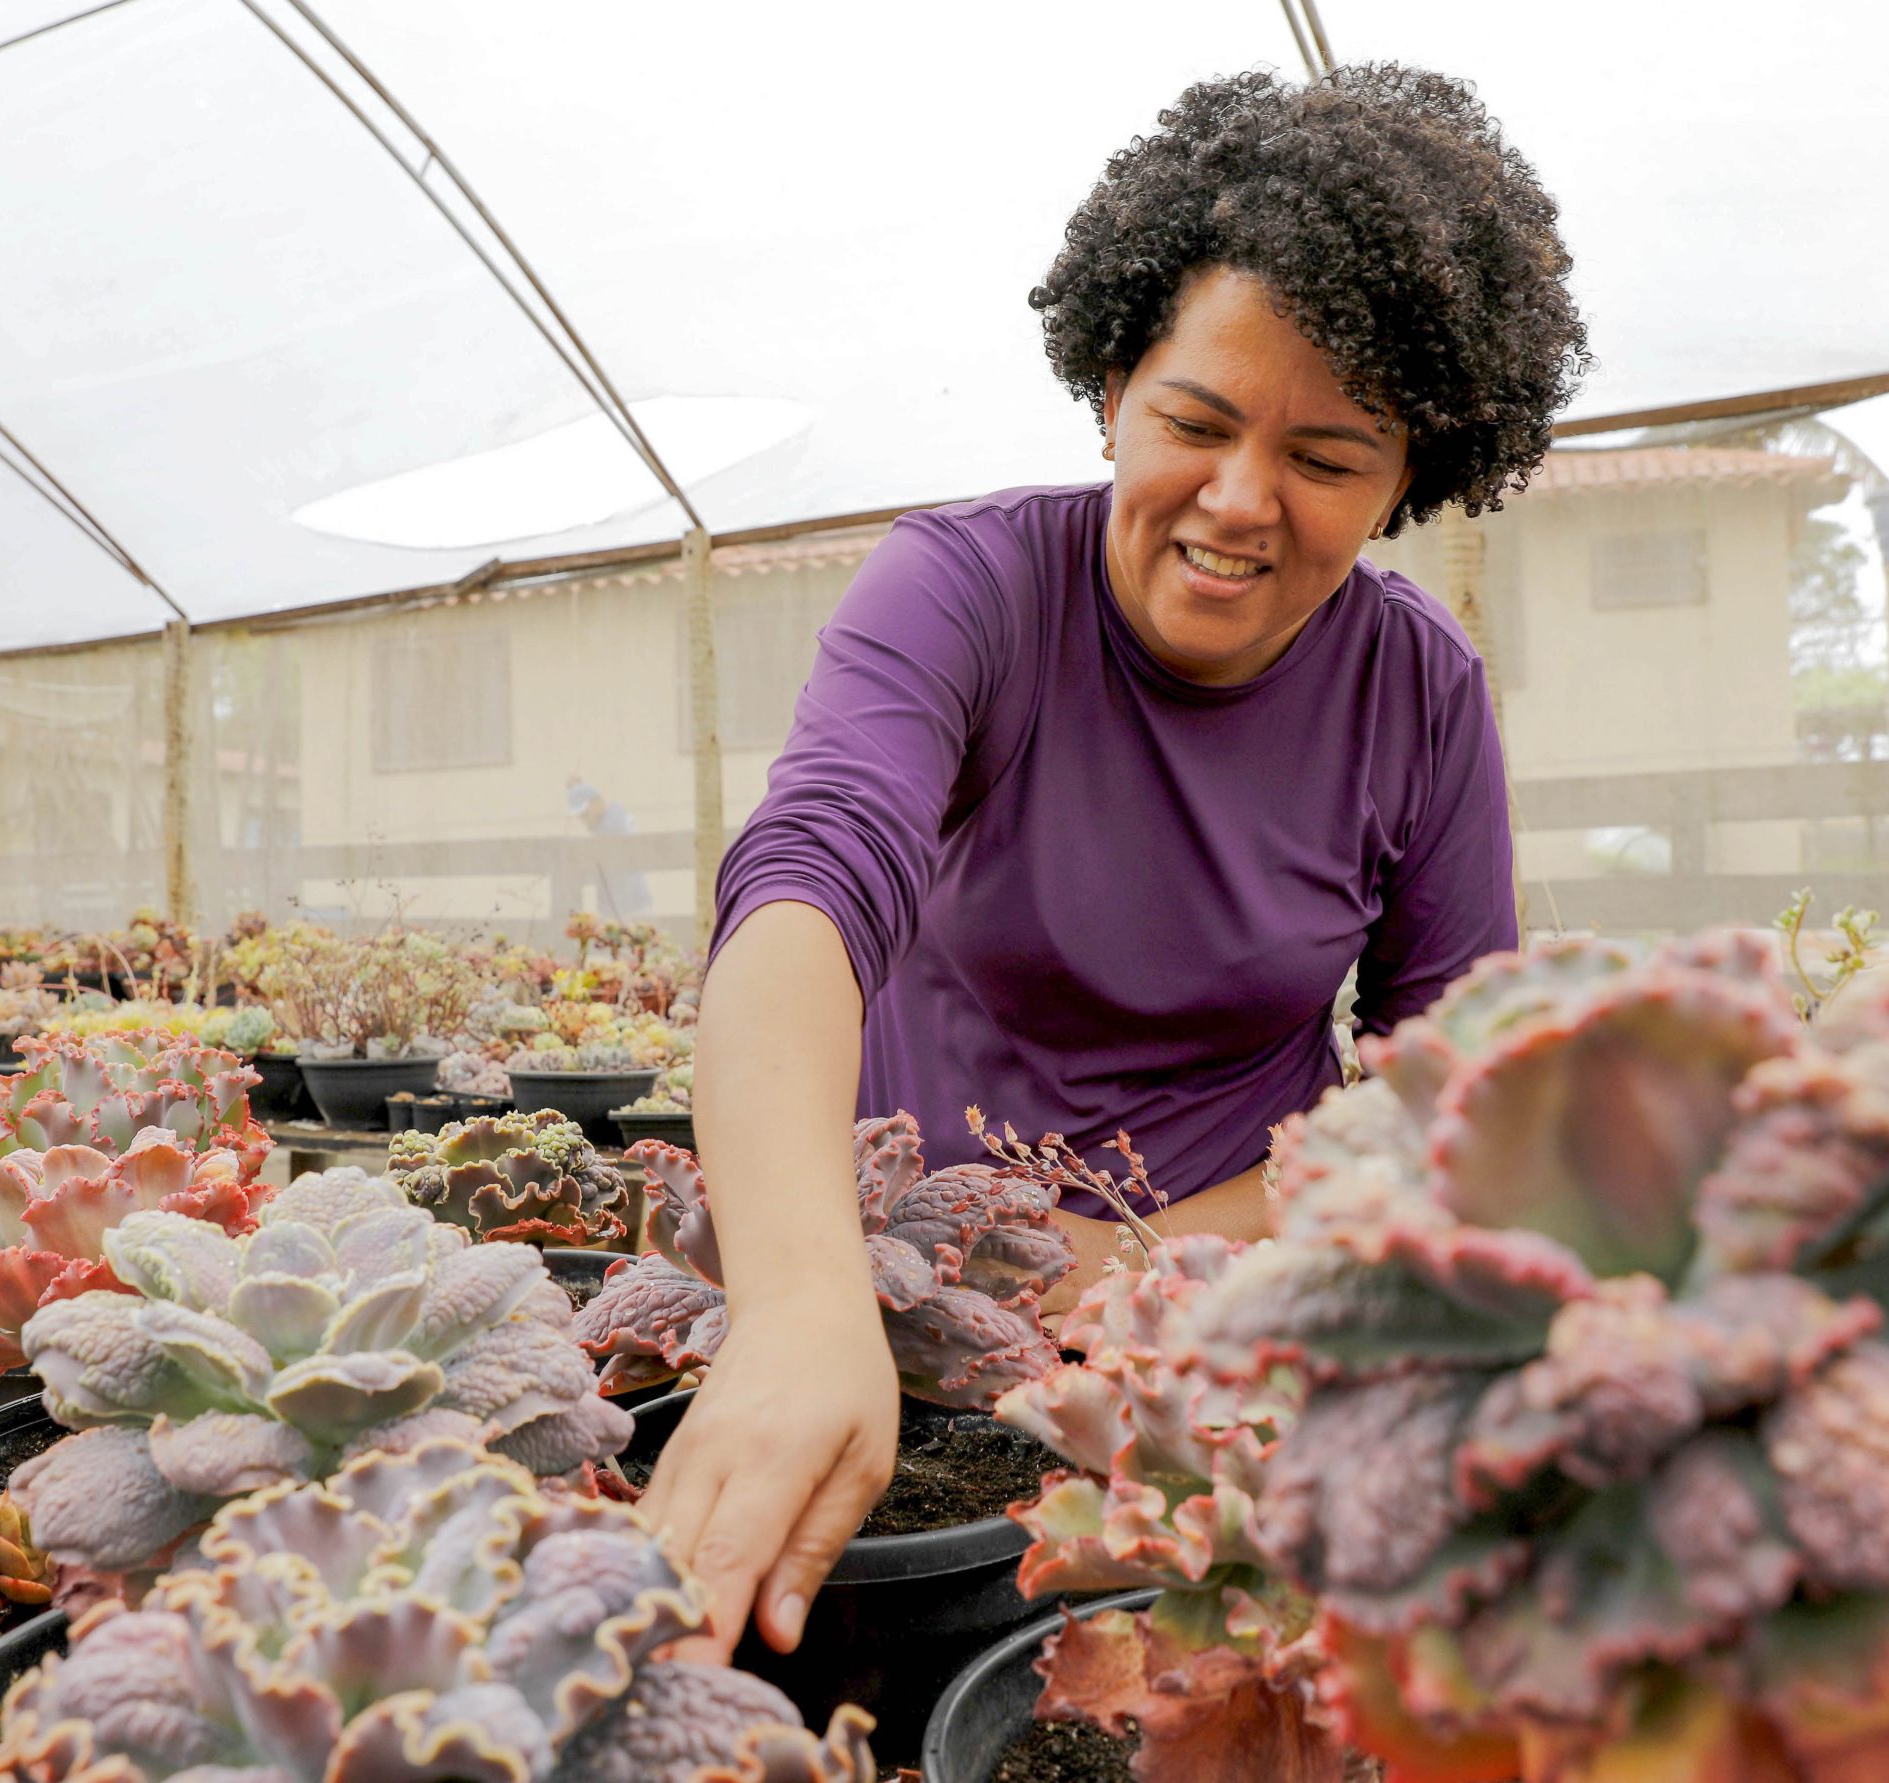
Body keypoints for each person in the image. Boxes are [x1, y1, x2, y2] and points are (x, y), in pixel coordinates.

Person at [642, 64, 1589, 1663]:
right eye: (1196, 421)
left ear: (1412, 473)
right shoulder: (968, 590)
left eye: (1331, 454)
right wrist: (807, 1298)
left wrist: (1145, 1265)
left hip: (1231, 1312)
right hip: (902, 1313)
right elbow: (807, 887)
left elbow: (1449, 1090)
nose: (1239, 501)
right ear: (1110, 379)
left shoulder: (1418, 688)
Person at [566, 773, 654, 919]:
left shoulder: (610, 826)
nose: (584, 820)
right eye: (580, 816)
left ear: (596, 803)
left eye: (585, 814)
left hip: (627, 906)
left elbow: (607, 867)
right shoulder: (616, 812)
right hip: (631, 903)